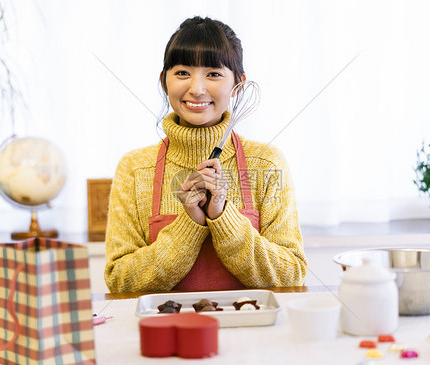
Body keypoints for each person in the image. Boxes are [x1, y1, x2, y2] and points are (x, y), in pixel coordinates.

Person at [104, 16, 307, 293]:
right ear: (164, 81)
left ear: (238, 84)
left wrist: (224, 215)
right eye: (182, 73)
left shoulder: (267, 163)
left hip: (251, 331)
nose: (197, 89)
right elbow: (119, 281)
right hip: (168, 333)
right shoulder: (134, 168)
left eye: (213, 73)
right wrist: (189, 225)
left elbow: (291, 276)